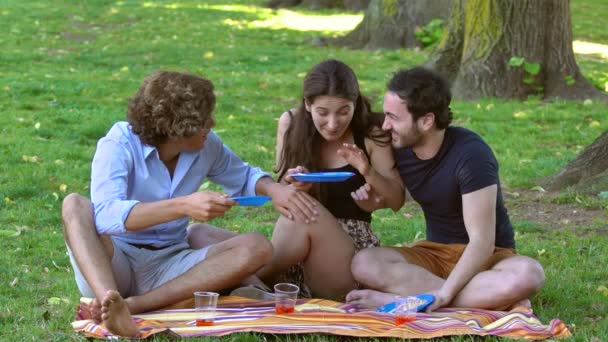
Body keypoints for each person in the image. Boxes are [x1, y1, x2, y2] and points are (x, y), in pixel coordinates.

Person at [62, 71, 317, 337]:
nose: (212, 123)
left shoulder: (207, 146)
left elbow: (241, 175)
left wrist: (277, 190)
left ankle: (133, 306)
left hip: (171, 264)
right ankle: (109, 302)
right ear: (178, 125)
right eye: (205, 119)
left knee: (258, 246)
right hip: (116, 262)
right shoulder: (120, 142)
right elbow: (105, 216)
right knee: (74, 205)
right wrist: (183, 205)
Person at [346, 67, 545, 311]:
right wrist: (376, 198)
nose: (385, 125)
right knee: (365, 262)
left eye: (394, 117)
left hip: (489, 257)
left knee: (528, 273)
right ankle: (481, 299)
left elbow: (482, 241)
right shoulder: (401, 145)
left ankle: (407, 301)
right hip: (435, 255)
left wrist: (444, 294)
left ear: (427, 121)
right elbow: (399, 195)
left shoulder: (471, 155)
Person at [253, 59, 404, 300]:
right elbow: (280, 196)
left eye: (344, 111)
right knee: (202, 234)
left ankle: (253, 279)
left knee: (304, 213)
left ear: (355, 104)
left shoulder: (371, 133)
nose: (333, 124)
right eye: (323, 113)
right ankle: (256, 280)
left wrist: (368, 172)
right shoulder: (291, 123)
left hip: (349, 257)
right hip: (295, 252)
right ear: (307, 104)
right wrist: (293, 186)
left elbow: (397, 200)